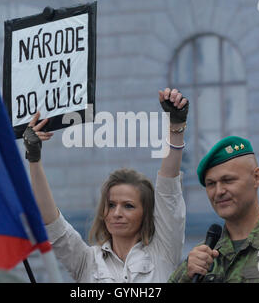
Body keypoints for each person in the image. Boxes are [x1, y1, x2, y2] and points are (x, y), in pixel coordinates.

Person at [23, 88, 188, 283]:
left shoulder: (164, 252)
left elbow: (168, 189)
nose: (117, 213)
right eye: (111, 205)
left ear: (146, 213)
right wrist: (34, 158)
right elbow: (52, 221)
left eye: (128, 206)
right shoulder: (87, 260)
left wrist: (176, 126)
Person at [168, 136, 259, 283]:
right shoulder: (203, 257)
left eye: (228, 180)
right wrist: (187, 277)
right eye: (211, 184)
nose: (219, 191)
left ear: (256, 178)